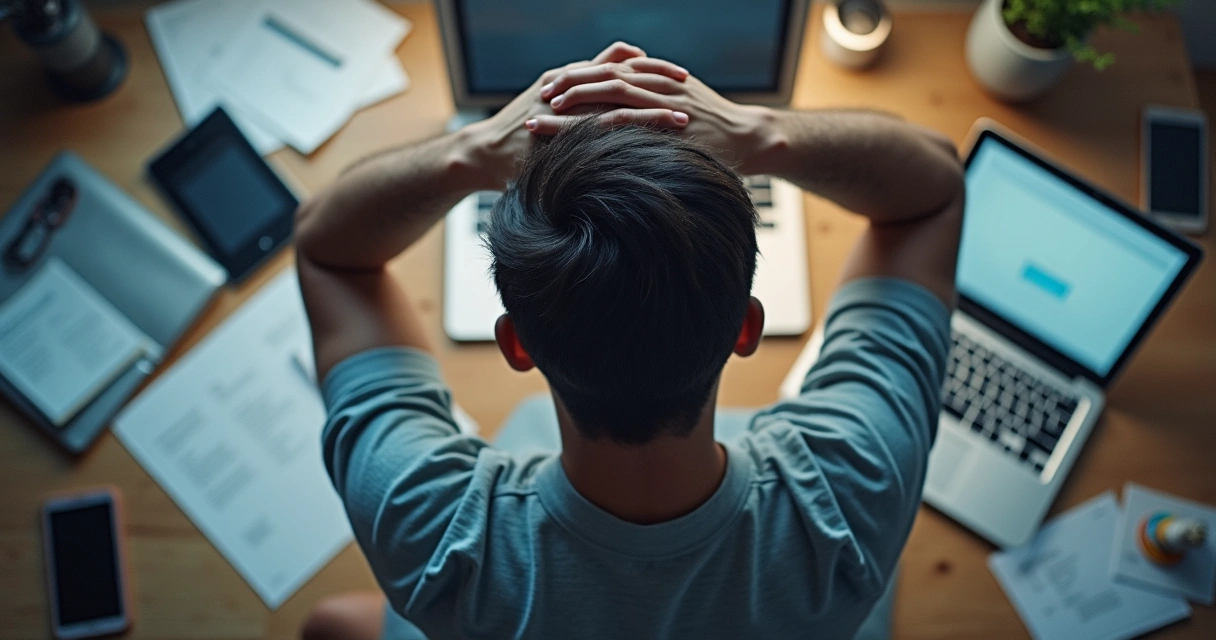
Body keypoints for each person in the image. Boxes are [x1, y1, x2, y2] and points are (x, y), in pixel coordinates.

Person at [296, 41, 964, 640]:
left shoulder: (434, 533)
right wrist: (757, 134)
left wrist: (473, 151)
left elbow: (326, 247)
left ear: (517, 345)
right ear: (745, 328)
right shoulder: (853, 489)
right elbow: (932, 187)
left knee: (330, 622)